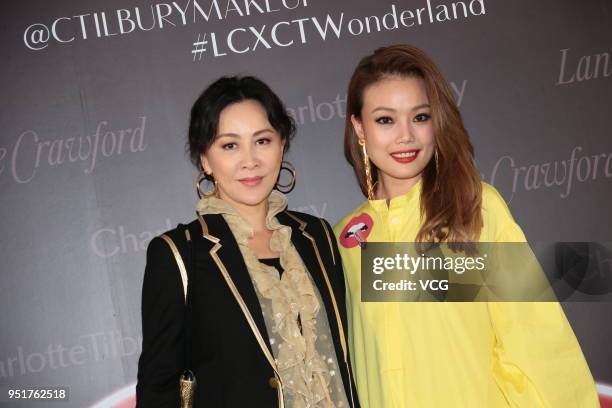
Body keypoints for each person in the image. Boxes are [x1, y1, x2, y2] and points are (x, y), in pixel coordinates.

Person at [334, 44, 599, 407]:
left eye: (420, 117)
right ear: (359, 128)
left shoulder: (473, 207)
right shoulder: (343, 238)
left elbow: (534, 332)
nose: (406, 135)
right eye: (385, 120)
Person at [136, 76, 358, 407]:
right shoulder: (178, 254)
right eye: (230, 145)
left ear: (282, 145)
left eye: (262, 141)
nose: (250, 160)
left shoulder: (318, 236)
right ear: (205, 159)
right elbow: (159, 388)